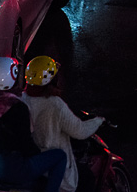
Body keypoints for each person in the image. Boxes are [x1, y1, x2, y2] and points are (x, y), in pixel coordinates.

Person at [0, 57, 67, 192]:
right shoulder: (18, 107)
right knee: (60, 156)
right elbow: (26, 144)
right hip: (11, 169)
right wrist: (38, 153)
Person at [21, 56, 104, 192]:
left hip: (32, 164)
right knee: (87, 177)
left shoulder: (22, 100)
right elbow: (80, 131)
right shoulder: (55, 104)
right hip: (54, 170)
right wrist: (98, 121)